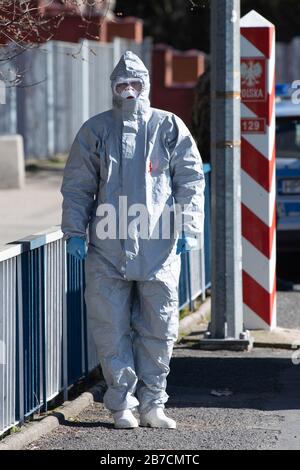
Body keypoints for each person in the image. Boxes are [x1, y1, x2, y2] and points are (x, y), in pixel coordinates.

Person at [61, 51, 205, 429]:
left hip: (158, 247)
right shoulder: (97, 130)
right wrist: (75, 232)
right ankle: (121, 403)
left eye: (135, 84)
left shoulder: (168, 127)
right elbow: (78, 186)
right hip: (107, 249)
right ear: (112, 89)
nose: (128, 91)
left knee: (159, 327)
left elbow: (190, 180)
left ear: (147, 87)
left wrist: (187, 229)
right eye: (121, 85)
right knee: (110, 327)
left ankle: (154, 403)